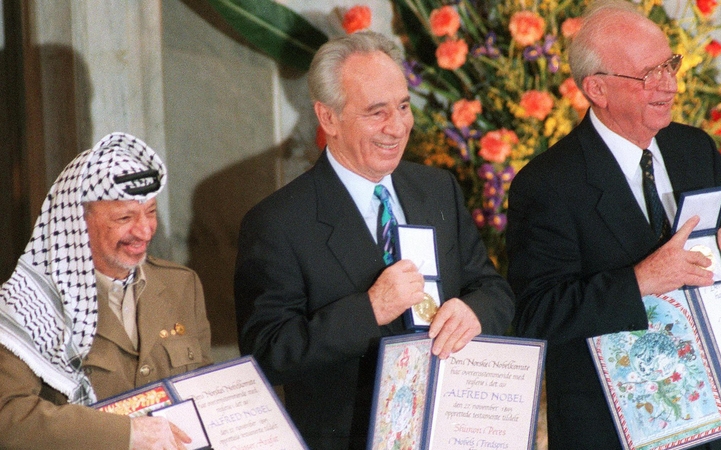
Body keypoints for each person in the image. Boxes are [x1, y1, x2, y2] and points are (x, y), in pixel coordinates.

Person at [234, 31, 515, 449]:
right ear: (328, 118)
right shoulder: (277, 222)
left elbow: (493, 290)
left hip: (450, 428)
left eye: (403, 106)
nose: (398, 127)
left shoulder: (437, 189)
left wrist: (474, 312)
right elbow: (268, 355)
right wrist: (370, 309)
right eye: (376, 112)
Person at [506, 2, 721, 449]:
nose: (669, 84)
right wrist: (640, 281)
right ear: (598, 89)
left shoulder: (695, 150)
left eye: (670, 64)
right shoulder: (547, 184)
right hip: (606, 429)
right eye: (649, 74)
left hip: (704, 418)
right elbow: (535, 314)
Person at [0, 132, 213, 449]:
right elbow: (8, 418)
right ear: (78, 220)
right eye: (125, 217)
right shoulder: (28, 304)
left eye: (151, 212)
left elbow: (205, 394)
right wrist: (127, 434)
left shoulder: (181, 284)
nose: (144, 230)